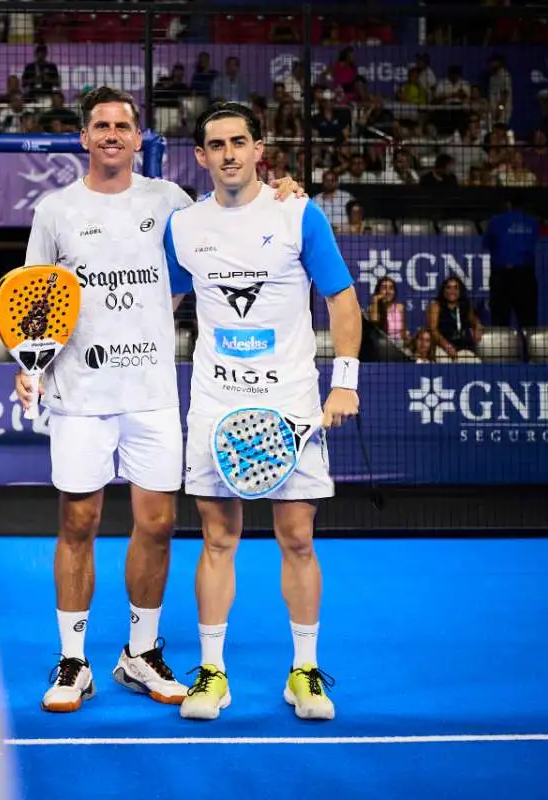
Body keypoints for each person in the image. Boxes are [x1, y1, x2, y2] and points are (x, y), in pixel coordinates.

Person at [15, 88, 304, 713]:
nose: (111, 135)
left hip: (151, 394)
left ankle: (140, 653)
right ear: (83, 137)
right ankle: (73, 660)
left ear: (138, 137)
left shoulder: (171, 201)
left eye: (122, 126)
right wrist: (27, 364)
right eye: (100, 126)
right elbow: (35, 297)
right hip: (79, 392)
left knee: (158, 524)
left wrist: (283, 194)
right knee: (78, 523)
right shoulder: (55, 210)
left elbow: (233, 213)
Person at [163, 102, 361, 722]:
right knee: (217, 537)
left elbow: (342, 298)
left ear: (258, 149)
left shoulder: (297, 213)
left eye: (239, 142)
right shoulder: (183, 226)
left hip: (291, 401)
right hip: (216, 400)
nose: (228, 154)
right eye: (216, 145)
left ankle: (304, 671)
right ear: (201, 156)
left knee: (297, 537)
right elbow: (160, 304)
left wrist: (345, 383)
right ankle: (211, 673)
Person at [483, 197, 540, 329]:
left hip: (502, 274)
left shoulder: (496, 221)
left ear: (508, 204)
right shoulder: (533, 222)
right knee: (529, 321)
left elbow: (487, 244)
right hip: (526, 274)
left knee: (500, 321)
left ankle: (501, 340)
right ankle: (529, 341)